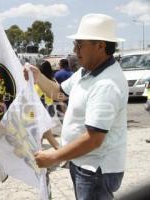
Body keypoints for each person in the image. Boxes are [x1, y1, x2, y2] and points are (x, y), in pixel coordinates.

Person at [24, 13, 128, 200]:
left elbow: (94, 139)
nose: (74, 49)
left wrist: (54, 157)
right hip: (84, 163)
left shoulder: (106, 84)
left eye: (79, 44)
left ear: (100, 46)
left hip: (95, 169)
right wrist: (37, 75)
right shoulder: (86, 72)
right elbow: (58, 93)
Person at [36, 60, 59, 150]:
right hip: (48, 108)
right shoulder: (53, 80)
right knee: (41, 132)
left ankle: (64, 155)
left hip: (42, 108)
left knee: (46, 134)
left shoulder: (39, 81)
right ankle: (39, 149)